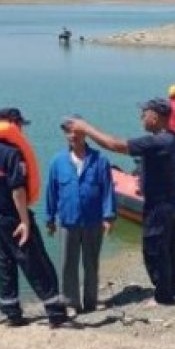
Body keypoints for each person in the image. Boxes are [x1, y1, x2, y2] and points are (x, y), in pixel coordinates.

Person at [64, 98, 175, 306]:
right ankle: (174, 290)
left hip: (159, 204)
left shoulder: (157, 142)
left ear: (155, 117)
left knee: (154, 249)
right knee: (171, 248)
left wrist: (86, 128)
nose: (141, 117)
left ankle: (164, 296)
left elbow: (114, 144)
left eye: (145, 114)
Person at [0, 107, 70, 328]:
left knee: (5, 266)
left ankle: (12, 314)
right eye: (19, 124)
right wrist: (24, 221)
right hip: (15, 219)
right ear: (12, 123)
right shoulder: (12, 152)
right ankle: (56, 313)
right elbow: (18, 190)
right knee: (37, 264)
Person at [45, 121, 116, 315]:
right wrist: (49, 218)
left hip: (93, 221)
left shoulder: (100, 160)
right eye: (68, 132)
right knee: (68, 264)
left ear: (85, 134)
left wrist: (109, 216)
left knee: (91, 263)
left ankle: (90, 302)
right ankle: (71, 302)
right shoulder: (57, 161)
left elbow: (107, 190)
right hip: (68, 221)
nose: (72, 136)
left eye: (76, 132)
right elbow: (51, 191)